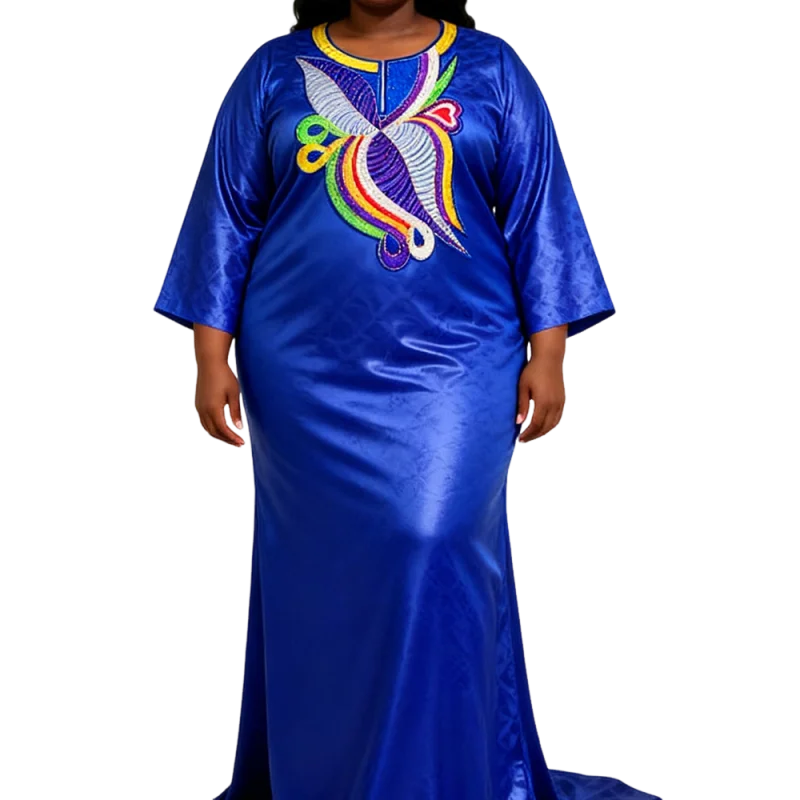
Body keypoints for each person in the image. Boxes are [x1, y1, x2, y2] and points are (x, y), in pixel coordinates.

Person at [153, 2, 652, 798]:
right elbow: (228, 217)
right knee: (322, 576)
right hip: (304, 374)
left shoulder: (492, 69)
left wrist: (550, 350)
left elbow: (538, 213)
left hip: (459, 360)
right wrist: (209, 355)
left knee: (435, 543)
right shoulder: (272, 73)